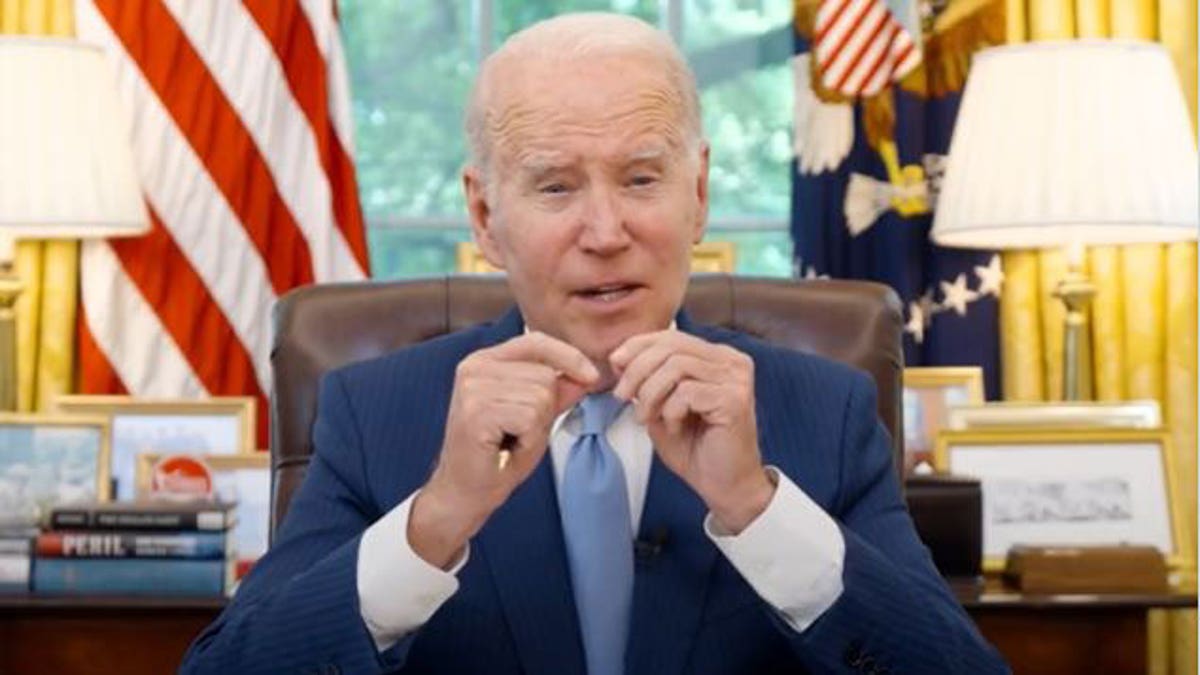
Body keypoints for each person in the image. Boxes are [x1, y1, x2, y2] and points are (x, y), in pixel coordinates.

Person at [181, 12, 1007, 675]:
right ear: (483, 216)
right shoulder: (375, 412)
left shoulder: (824, 409)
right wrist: (437, 519)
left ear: (700, 193)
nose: (605, 232)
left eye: (642, 177)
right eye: (555, 186)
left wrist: (758, 508)